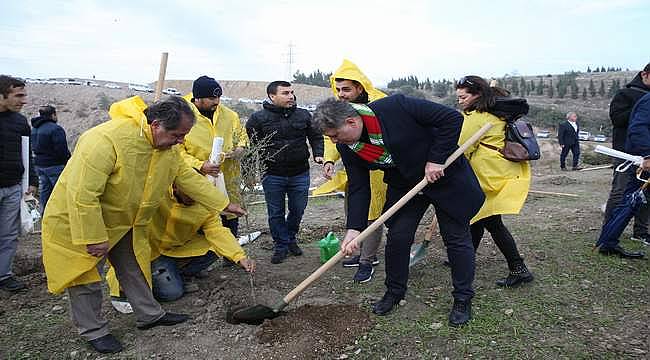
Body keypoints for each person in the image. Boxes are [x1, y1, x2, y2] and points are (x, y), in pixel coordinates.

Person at [41, 96, 240, 354]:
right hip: (79, 219)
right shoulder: (104, 140)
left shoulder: (166, 149)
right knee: (85, 277)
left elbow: (188, 178)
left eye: (184, 136)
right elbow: (82, 194)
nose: (181, 142)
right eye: (178, 135)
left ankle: (150, 315)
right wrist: (93, 235)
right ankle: (94, 331)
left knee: (132, 266)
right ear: (156, 125)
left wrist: (222, 204)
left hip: (123, 221)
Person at [312, 96, 485, 326]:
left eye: (334, 135)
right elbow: (359, 187)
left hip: (444, 178)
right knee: (398, 238)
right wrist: (354, 229)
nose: (334, 142)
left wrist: (436, 159)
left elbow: (451, 118)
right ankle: (394, 292)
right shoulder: (348, 147)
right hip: (405, 185)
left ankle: (463, 299)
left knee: (456, 238)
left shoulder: (396, 107)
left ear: (351, 122)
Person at [107, 185, 254, 303]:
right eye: (189, 193)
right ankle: (154, 280)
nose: (193, 197)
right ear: (175, 187)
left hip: (179, 248)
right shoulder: (157, 193)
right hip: (151, 252)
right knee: (171, 293)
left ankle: (179, 275)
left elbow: (217, 231)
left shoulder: (204, 204)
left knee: (215, 247)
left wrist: (240, 257)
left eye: (197, 193)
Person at [455, 75, 534, 287]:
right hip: (498, 173)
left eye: (463, 97)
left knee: (491, 221)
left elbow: (462, 148)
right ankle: (466, 258)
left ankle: (518, 268)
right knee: (479, 217)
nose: (460, 101)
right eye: (458, 97)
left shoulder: (478, 117)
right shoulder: (494, 114)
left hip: (488, 177)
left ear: (477, 95)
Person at [313, 59, 387, 283]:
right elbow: (333, 137)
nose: (341, 94)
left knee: (374, 214)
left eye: (346, 89)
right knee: (355, 209)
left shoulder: (379, 104)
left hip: (380, 170)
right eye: (338, 89)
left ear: (359, 87)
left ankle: (368, 260)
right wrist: (329, 160)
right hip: (356, 169)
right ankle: (358, 252)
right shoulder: (339, 108)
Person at [246, 81, 324, 264]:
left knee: (298, 209)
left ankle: (290, 237)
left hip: (300, 173)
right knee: (275, 212)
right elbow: (251, 148)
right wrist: (248, 173)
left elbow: (316, 136)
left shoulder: (304, 115)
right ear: (272, 96)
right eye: (285, 93)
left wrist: (318, 154)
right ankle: (281, 244)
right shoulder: (257, 119)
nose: (291, 96)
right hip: (272, 174)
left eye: (292, 92)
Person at [181, 75, 248, 266]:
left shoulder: (230, 115)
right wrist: (200, 165)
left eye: (218, 98)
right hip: (198, 178)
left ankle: (232, 258)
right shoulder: (184, 116)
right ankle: (198, 264)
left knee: (230, 215)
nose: (216, 102)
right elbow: (176, 152)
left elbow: (242, 137)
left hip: (228, 175)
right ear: (198, 98)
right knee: (205, 220)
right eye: (212, 99)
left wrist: (238, 150)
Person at [596, 92, 650, 259]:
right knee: (630, 201)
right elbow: (638, 127)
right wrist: (648, 155)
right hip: (644, 160)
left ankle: (608, 242)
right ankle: (608, 242)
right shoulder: (648, 101)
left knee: (631, 201)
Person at [0, 75, 37, 293]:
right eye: (19, 95)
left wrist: (32, 180)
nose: (23, 101)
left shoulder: (20, 122)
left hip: (14, 187)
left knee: (9, 235)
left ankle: (4, 275)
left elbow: (27, 153)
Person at [30, 105, 71, 214]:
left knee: (45, 193)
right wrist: (68, 162)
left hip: (40, 166)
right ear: (53, 115)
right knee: (61, 192)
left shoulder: (35, 129)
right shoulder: (55, 129)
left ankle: (45, 216)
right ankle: (61, 216)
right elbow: (62, 150)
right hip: (55, 166)